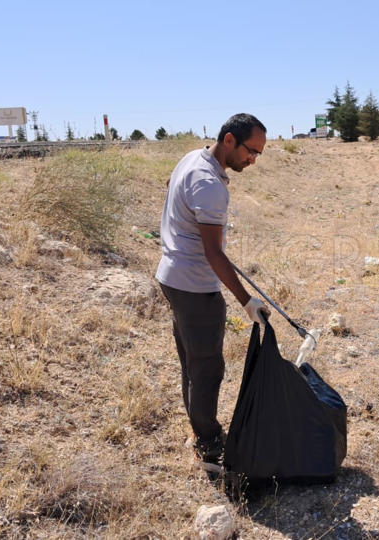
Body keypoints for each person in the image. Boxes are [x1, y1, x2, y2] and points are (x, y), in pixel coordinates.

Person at [155, 113, 270, 470]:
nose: (253, 160)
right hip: (194, 285)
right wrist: (247, 301)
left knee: (192, 361)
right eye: (251, 151)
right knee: (207, 369)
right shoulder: (210, 184)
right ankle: (207, 445)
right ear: (230, 140)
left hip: (173, 277)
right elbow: (213, 253)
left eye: (259, 155)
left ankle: (197, 429)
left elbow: (174, 190)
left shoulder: (193, 158)